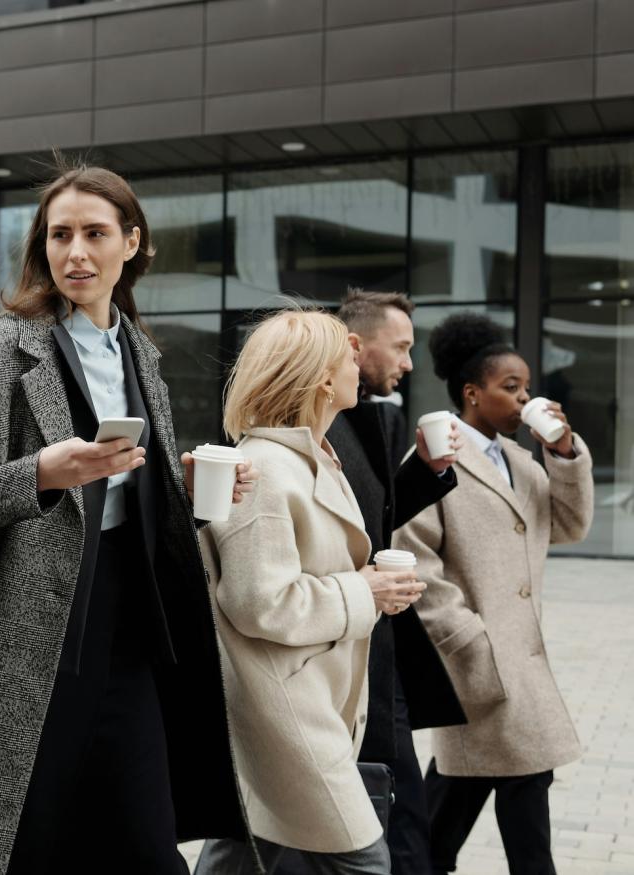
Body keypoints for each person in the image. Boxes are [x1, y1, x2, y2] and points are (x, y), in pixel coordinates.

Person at [0, 163, 259, 874]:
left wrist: (183, 486)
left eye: (94, 234)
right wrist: (43, 474)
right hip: (27, 643)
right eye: (60, 235)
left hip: (131, 633)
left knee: (148, 849)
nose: (75, 252)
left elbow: (132, 491)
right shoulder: (2, 347)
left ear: (132, 243)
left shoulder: (140, 354)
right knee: (20, 847)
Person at [196, 310, 426, 875]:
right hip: (286, 709)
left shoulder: (314, 458)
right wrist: (365, 592)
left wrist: (373, 589)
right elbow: (259, 603)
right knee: (364, 859)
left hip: (310, 697)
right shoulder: (267, 470)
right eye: (349, 355)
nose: (358, 364)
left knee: (241, 854)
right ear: (322, 377)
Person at [393, 313, 593, 875]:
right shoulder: (434, 459)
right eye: (511, 387)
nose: (524, 397)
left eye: (526, 388)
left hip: (521, 670)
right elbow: (414, 559)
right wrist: (467, 636)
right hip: (476, 664)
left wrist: (564, 452)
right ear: (472, 393)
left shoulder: (525, 463)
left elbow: (569, 525)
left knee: (481, 796)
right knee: (504, 795)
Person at [322, 289, 467, 875]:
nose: (409, 363)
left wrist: (427, 471)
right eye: (401, 347)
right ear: (356, 346)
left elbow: (373, 520)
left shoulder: (377, 416)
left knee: (399, 803)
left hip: (380, 642)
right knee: (387, 808)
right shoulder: (314, 421)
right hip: (338, 645)